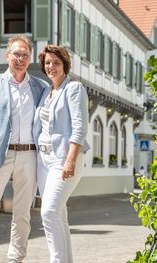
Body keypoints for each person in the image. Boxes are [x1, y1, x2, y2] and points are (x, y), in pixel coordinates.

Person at [0, 35, 47, 263]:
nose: (20, 59)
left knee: (22, 213)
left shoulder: (40, 87)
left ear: (29, 58)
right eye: (16, 54)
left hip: (29, 156)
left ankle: (15, 259)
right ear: (7, 56)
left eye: (25, 55)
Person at [33, 45, 90, 263]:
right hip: (43, 161)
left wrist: (70, 160)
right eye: (47, 63)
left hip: (63, 159)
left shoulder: (73, 89)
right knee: (59, 215)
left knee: (48, 213)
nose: (51, 67)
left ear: (64, 65)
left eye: (56, 62)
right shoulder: (47, 92)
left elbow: (79, 127)